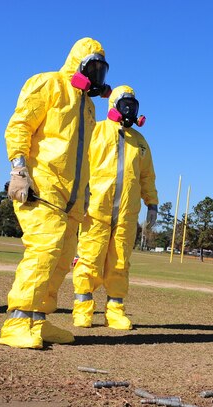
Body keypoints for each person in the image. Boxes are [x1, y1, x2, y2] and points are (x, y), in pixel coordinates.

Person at [0, 38, 109, 349]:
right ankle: (17, 322)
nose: (98, 76)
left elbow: (81, 155)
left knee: (60, 259)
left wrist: (83, 196)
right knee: (43, 251)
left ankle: (38, 320)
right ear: (79, 64)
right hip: (42, 186)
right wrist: (19, 170)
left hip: (71, 197)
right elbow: (19, 126)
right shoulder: (48, 83)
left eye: (103, 70)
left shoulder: (88, 105)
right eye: (94, 68)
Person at [72, 85, 158, 330]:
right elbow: (80, 164)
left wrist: (151, 204)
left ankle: (115, 310)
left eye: (133, 104)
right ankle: (83, 309)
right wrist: (81, 194)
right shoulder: (96, 131)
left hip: (126, 214)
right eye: (125, 103)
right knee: (89, 259)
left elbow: (147, 178)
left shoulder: (140, 143)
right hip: (95, 209)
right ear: (114, 105)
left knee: (120, 262)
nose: (130, 108)